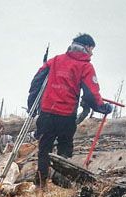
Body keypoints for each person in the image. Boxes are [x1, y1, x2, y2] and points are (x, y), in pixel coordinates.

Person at [27, 33, 113, 187]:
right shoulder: (85, 66)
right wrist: (102, 107)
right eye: (92, 49)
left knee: (44, 148)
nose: (92, 53)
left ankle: (40, 184)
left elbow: (37, 82)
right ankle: (61, 181)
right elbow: (91, 93)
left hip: (46, 112)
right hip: (66, 115)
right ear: (86, 47)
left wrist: (31, 105)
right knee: (65, 148)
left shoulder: (55, 60)